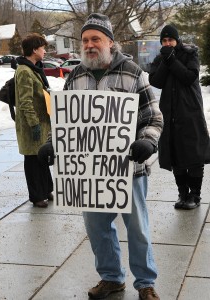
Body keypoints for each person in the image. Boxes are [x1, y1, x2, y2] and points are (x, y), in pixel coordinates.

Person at [63, 13, 163, 300]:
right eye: (85, 40)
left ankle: (145, 282)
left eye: (96, 38)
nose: (90, 44)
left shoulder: (133, 72)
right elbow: (62, 122)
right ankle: (111, 277)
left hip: (129, 169)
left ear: (110, 41)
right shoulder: (76, 77)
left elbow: (153, 118)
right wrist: (52, 145)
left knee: (138, 230)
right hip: (90, 172)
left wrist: (147, 142)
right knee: (97, 229)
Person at [149, 25, 210, 210]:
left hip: (190, 111)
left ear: (177, 40)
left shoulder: (190, 53)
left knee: (193, 155)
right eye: (164, 41)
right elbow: (155, 81)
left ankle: (195, 195)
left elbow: (189, 76)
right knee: (175, 155)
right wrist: (166, 61)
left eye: (171, 40)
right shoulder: (160, 58)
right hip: (169, 113)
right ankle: (182, 194)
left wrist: (172, 59)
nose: (168, 44)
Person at [15, 33, 53, 208]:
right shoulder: (24, 71)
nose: (45, 51)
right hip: (32, 125)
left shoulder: (34, 68)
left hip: (41, 122)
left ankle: (46, 190)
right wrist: (34, 124)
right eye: (43, 48)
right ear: (34, 49)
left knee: (42, 157)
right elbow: (25, 101)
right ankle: (37, 196)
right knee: (32, 161)